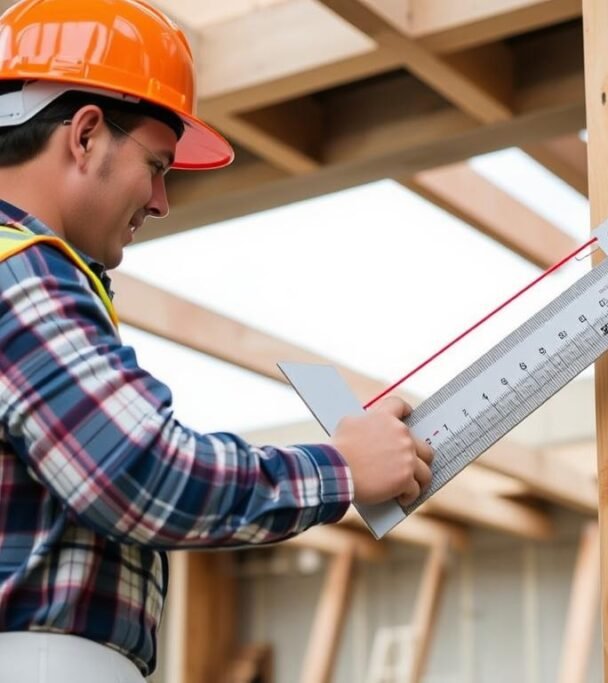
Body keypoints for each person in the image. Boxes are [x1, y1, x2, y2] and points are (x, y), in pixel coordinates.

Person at [0, 1, 433, 680]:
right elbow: (137, 472)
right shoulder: (21, 273)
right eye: (159, 164)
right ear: (85, 135)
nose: (161, 200)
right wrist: (340, 467)